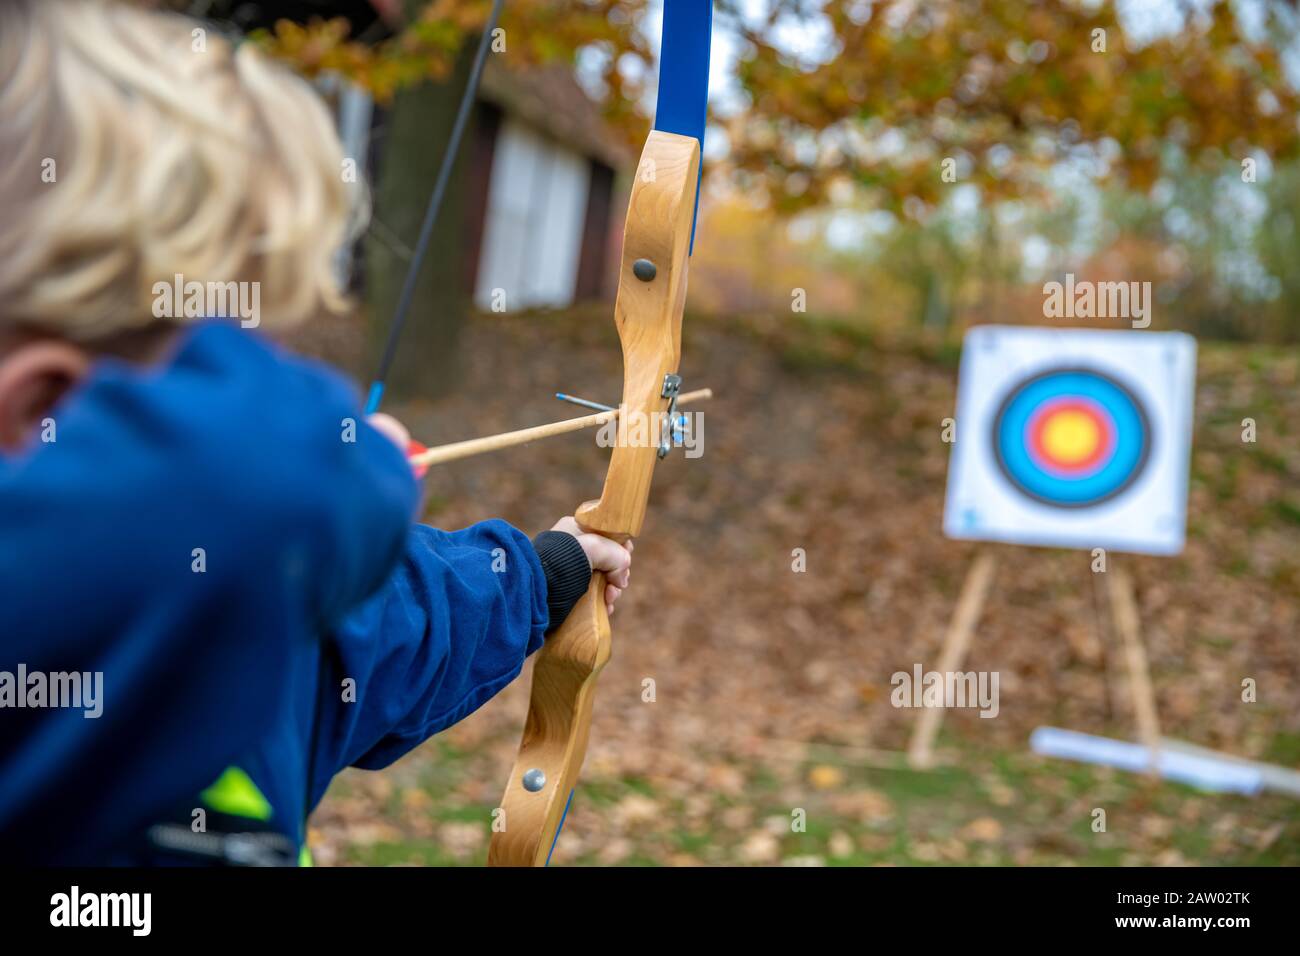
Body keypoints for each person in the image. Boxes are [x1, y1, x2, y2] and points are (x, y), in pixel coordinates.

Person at [0, 0, 631, 864]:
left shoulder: (241, 607)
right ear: (43, 414)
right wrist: (352, 464)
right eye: (232, 359)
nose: (277, 385)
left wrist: (540, 572)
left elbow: (391, 620)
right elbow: (271, 497)